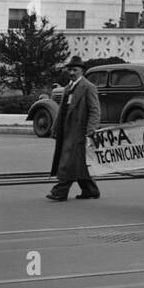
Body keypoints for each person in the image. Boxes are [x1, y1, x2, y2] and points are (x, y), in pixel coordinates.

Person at [46, 55, 101, 202]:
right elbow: (61, 110)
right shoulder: (68, 88)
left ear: (82, 71)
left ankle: (60, 191)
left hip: (79, 131)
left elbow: (95, 111)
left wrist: (90, 131)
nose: (71, 73)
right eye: (69, 70)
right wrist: (55, 127)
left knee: (68, 162)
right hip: (67, 130)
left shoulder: (88, 87)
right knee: (79, 162)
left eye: (74, 70)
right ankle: (90, 190)